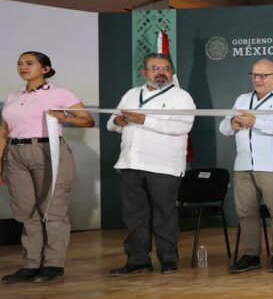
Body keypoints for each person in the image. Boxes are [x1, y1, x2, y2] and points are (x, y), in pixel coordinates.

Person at [0, 51, 94, 284]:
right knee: (26, 211)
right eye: (20, 63)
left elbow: (87, 120)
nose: (23, 67)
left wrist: (65, 117)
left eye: (30, 63)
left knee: (52, 208)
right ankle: (31, 264)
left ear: (45, 69)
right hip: (15, 153)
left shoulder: (60, 93)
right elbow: (3, 132)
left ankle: (53, 264)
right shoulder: (13, 97)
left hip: (47, 151)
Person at [107, 53, 196, 276]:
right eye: (154, 68)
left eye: (166, 68)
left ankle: (168, 259)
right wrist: (118, 121)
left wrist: (143, 119)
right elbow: (112, 122)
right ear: (144, 72)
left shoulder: (181, 96)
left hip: (163, 165)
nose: (161, 72)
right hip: (131, 162)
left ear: (172, 73)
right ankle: (137, 260)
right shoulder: (131, 93)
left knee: (164, 213)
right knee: (134, 214)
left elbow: (182, 126)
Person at [220, 58, 273, 273]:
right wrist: (231, 123)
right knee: (246, 212)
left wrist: (256, 122)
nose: (258, 79)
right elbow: (223, 128)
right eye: (254, 75)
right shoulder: (242, 99)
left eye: (263, 75)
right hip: (244, 165)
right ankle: (251, 254)